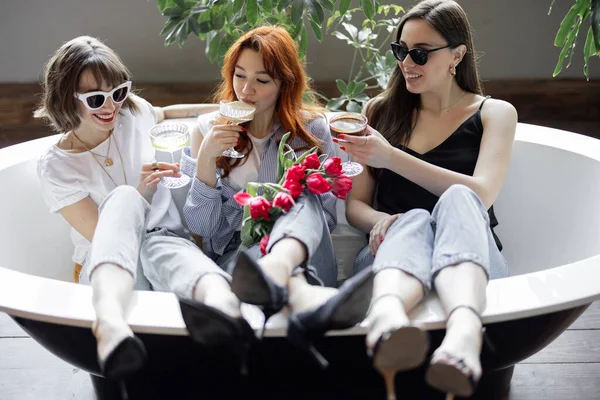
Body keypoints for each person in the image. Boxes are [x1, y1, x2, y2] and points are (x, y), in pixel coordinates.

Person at [35, 36, 254, 382]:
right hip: (107, 267)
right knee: (125, 200)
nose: (111, 107)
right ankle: (108, 319)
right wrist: (140, 193)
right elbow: (106, 235)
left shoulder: (132, 111)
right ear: (64, 97)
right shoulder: (56, 167)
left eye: (118, 91)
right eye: (96, 99)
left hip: (161, 246)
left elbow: (165, 117)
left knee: (164, 242)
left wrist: (216, 121)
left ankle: (224, 307)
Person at [342, 0, 518, 397]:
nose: (407, 62)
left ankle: (463, 328)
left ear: (457, 55)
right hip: (393, 259)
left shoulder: (495, 113)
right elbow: (356, 207)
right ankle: (388, 319)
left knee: (458, 196)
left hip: (471, 259)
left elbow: (482, 195)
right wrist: (384, 220)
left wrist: (392, 158)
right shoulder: (380, 111)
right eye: (401, 51)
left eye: (420, 53)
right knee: (413, 219)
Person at [180, 26, 374, 367]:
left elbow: (324, 217)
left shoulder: (311, 131)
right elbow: (205, 229)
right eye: (239, 75)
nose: (245, 89)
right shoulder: (206, 130)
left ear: (285, 83)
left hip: (308, 260)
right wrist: (207, 158)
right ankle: (293, 294)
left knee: (301, 192)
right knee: (291, 197)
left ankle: (281, 271)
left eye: (261, 80)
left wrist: (270, 205)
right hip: (240, 270)